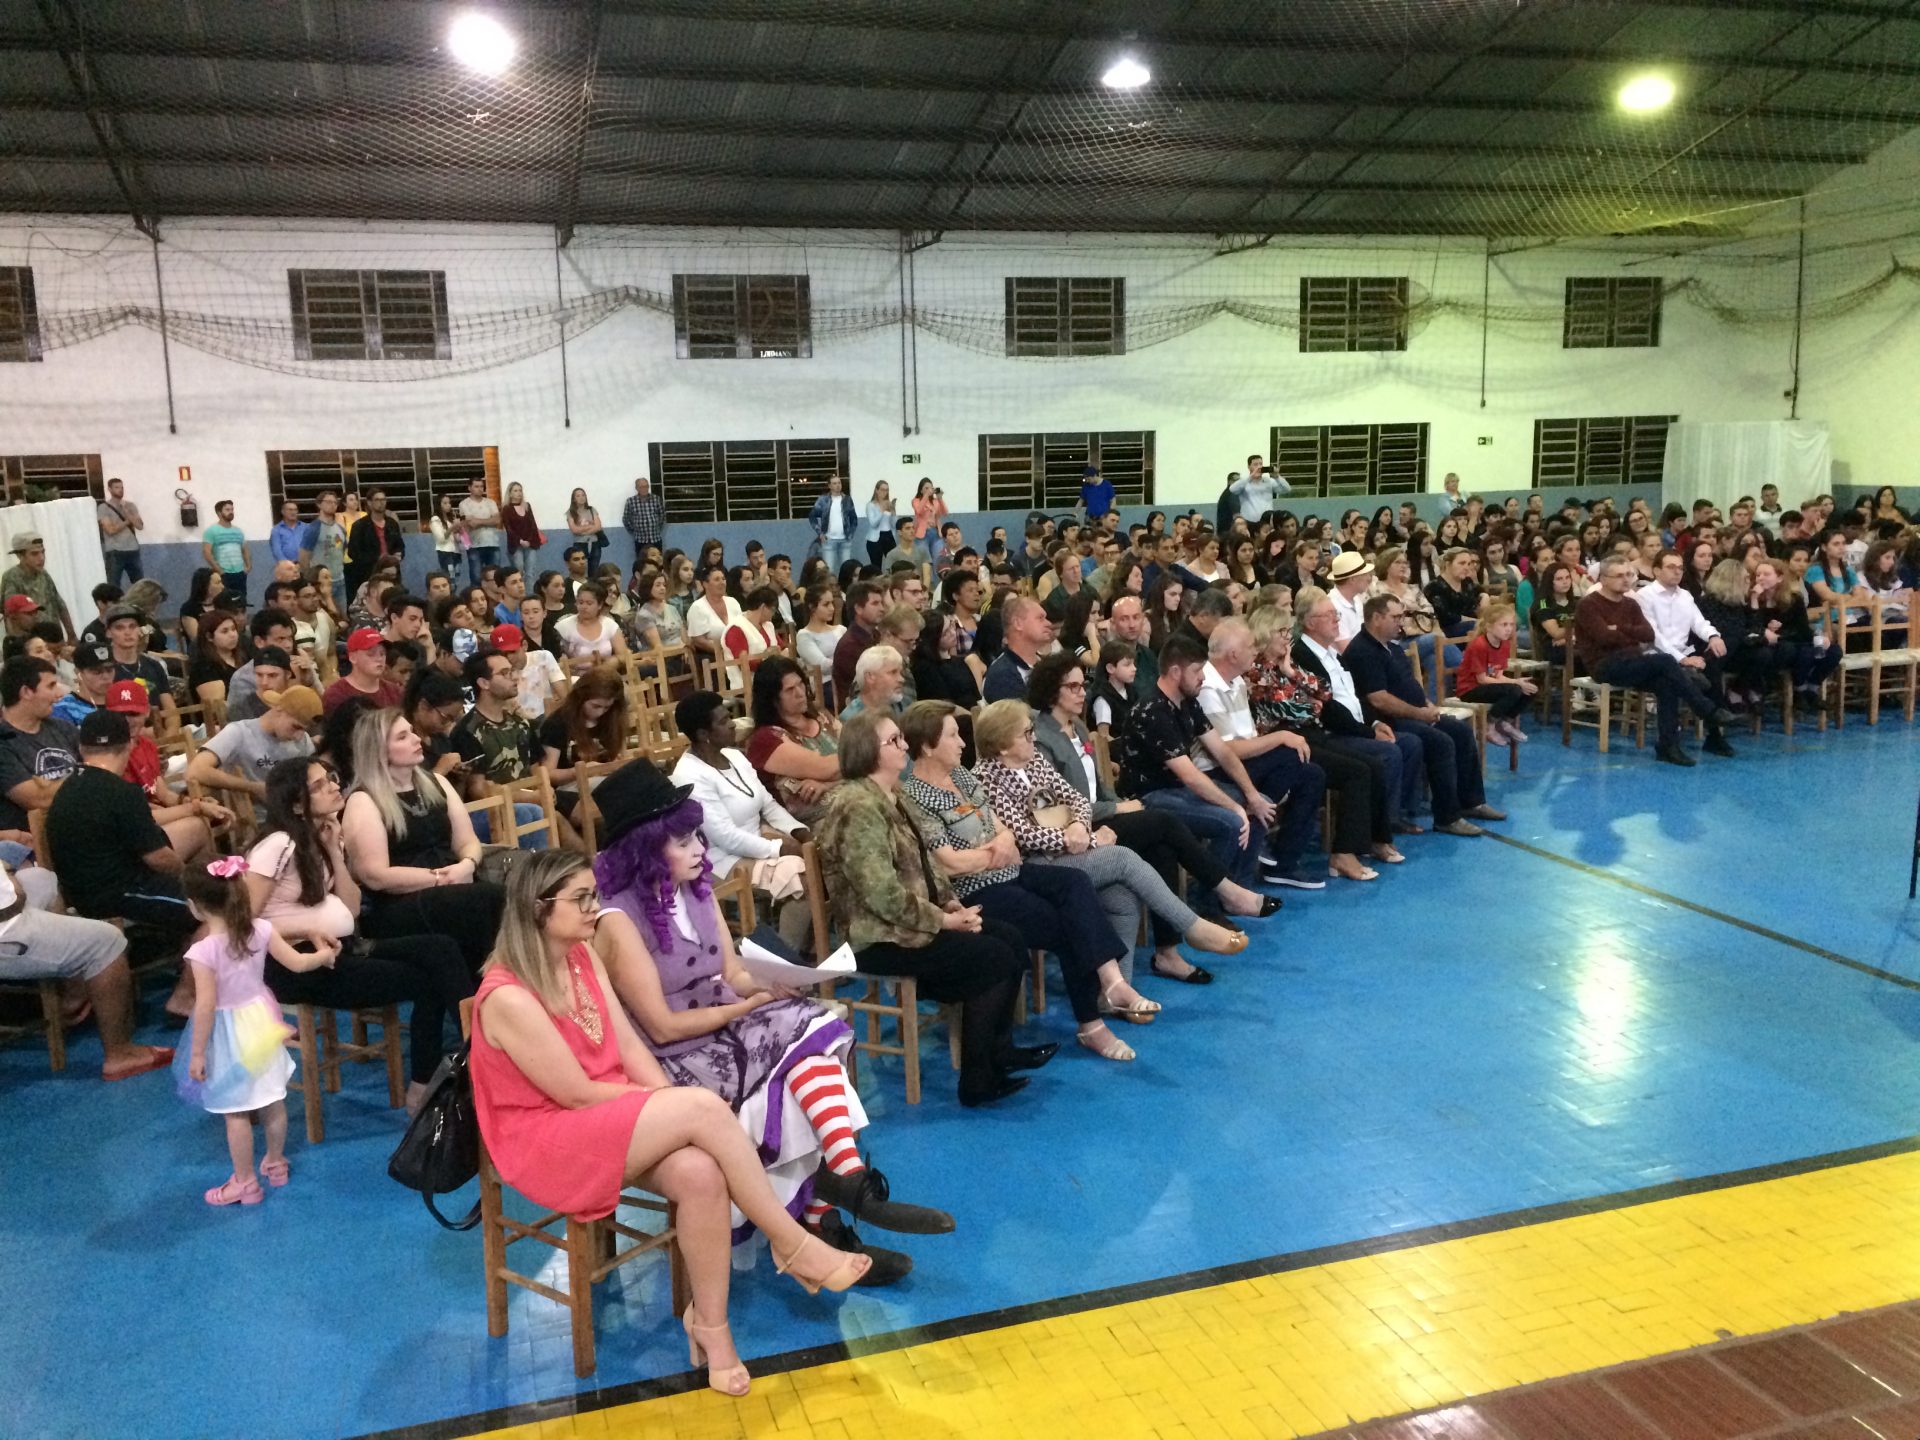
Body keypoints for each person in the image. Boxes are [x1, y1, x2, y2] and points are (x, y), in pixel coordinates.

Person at [472, 851, 870, 1397]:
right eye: (581, 899)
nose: (595, 908)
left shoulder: (580, 955)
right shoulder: (508, 996)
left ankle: (712, 1328)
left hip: (602, 1114)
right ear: (538, 909)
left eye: (594, 895)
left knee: (700, 1172)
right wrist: (666, 1105)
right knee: (701, 1107)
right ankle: (790, 1242)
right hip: (547, 1137)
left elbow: (629, 1046)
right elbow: (574, 1093)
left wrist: (663, 1102)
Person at [591, 761, 947, 1284]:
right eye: (683, 841)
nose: (700, 848)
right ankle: (834, 1200)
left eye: (697, 835)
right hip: (672, 1055)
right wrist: (746, 1007)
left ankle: (838, 1187)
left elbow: (732, 973)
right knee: (799, 1041)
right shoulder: (618, 920)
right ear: (644, 850)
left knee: (808, 1026)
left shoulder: (695, 888)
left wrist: (771, 983)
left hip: (719, 1026)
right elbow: (662, 1027)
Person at [814, 712, 1045, 1107]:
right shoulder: (857, 806)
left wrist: (951, 902)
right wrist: (944, 921)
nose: (904, 745)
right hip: (878, 936)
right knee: (990, 957)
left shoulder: (894, 794)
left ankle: (998, 1050)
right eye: (894, 741)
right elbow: (881, 895)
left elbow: (927, 864)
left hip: (912, 921)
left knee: (1009, 937)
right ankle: (977, 1080)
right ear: (868, 751)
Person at [901, 700, 1145, 1061]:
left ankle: (1112, 983)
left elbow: (1003, 829)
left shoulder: (962, 777)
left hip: (1010, 871)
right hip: (975, 890)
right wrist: (994, 852)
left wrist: (999, 844)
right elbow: (948, 863)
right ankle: (1092, 1025)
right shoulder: (915, 796)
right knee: (1068, 923)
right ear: (926, 746)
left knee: (1075, 883)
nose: (963, 742)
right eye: (953, 736)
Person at [247, 757, 471, 1113]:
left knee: (441, 948)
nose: (334, 786)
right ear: (297, 805)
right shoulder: (276, 845)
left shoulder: (321, 836)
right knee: (428, 979)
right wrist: (306, 929)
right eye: (319, 786)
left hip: (341, 947)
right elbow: (244, 921)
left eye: (331, 778)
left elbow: (350, 908)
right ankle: (440, 1077)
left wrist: (334, 853)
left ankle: (471, 1052)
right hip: (296, 962)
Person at [974, 694, 1250, 980]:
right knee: (1122, 857)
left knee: (1123, 899)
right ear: (1002, 744)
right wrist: (1091, 840)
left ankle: (1118, 989)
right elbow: (1023, 836)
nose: (1034, 737)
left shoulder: (1034, 761)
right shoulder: (985, 779)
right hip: (1036, 863)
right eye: (1026, 733)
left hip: (1070, 846)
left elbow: (1077, 800)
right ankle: (1191, 925)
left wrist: (1080, 826)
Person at [174, 855, 332, 1206]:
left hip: (228, 1035)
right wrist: (323, 955)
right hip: (262, 1025)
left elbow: (205, 1005)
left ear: (195, 906)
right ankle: (276, 1163)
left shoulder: (203, 951)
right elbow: (298, 963)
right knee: (272, 1099)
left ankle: (244, 1183)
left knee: (236, 1111)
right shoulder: (261, 930)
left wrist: (197, 1053)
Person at [340, 706, 506, 972]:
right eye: (403, 737)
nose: (417, 739)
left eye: (412, 732)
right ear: (380, 750)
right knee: (488, 899)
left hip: (453, 884)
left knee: (508, 894)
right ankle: (489, 984)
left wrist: (467, 865)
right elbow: (374, 875)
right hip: (399, 902)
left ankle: (495, 983)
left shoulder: (437, 782)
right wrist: (439, 878)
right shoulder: (364, 800)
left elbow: (468, 842)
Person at [1342, 594, 1503, 833]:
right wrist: (1420, 714)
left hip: (1414, 712)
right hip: (1388, 720)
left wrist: (1427, 705)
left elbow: (1410, 684)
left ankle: (1472, 802)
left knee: (1460, 731)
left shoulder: (1391, 647)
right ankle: (1447, 818)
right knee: (1441, 742)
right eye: (1396, 617)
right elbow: (1379, 699)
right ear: (1376, 618)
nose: (1401, 622)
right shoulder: (1363, 651)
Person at [1195, 620, 1332, 888]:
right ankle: (1256, 835)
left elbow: (1248, 739)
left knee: (1312, 773)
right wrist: (1280, 737)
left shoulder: (1236, 681)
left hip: (1242, 761)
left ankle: (1283, 864)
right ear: (1233, 654)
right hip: (1214, 770)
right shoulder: (1208, 688)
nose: (1255, 651)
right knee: (1289, 754)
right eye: (1250, 646)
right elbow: (1228, 750)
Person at [1573, 556, 1734, 768]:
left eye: (1628, 574)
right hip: (1605, 665)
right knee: (1665, 661)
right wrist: (1628, 633)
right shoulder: (1589, 605)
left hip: (1633, 661)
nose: (1626, 580)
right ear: (1603, 579)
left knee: (1667, 683)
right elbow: (1604, 637)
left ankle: (1668, 746)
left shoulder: (1630, 604)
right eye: (1619, 575)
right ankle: (1706, 709)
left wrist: (1619, 628)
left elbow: (1648, 634)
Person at [1634, 549, 1735, 757]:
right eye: (1671, 567)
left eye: (1680, 568)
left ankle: (1714, 736)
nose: (1677, 572)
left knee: (1713, 667)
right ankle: (1675, 738)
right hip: (1654, 655)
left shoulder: (1685, 595)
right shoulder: (1644, 596)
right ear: (1656, 570)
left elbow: (1699, 622)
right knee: (1673, 675)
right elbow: (1654, 637)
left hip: (1683, 652)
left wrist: (1713, 636)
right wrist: (1683, 660)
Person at [747, 657, 840, 825]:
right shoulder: (767, 739)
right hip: (817, 821)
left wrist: (828, 785)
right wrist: (859, 760)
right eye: (790, 690)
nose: (800, 693)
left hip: (847, 797)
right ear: (773, 699)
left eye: (801, 684)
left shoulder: (821, 716)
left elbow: (865, 756)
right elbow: (829, 768)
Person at [0, 655, 81, 845]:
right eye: (51, 686)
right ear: (26, 692)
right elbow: (37, 799)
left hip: (83, 829)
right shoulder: (4, 742)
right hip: (36, 843)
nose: (58, 694)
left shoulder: (63, 728)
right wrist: (85, 778)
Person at [189, 684, 320, 801]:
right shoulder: (239, 732)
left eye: (304, 730)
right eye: (296, 727)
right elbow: (196, 770)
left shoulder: (303, 741)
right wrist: (253, 788)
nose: (298, 737)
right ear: (279, 709)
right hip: (254, 815)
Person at [1453, 602, 1536, 746]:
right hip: (1470, 690)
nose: (1509, 629)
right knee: (1514, 690)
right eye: (1504, 625)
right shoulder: (1479, 645)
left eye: (1511, 625)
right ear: (1489, 627)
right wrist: (1515, 682)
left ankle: (1505, 722)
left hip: (1488, 686)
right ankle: (1489, 726)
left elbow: (1498, 676)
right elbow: (1482, 679)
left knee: (1530, 689)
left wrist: (1518, 682)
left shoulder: (1505, 644)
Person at [1, 532, 74, 642]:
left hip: (53, 639)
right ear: (20, 556)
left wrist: (71, 635)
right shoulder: (12, 577)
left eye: (43, 552)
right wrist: (20, 645)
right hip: (32, 643)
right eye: (34, 554)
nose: (41, 558)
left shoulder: (43, 574)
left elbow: (60, 604)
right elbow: (11, 615)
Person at [553, 581, 629, 679]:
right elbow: (555, 661)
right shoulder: (562, 626)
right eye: (580, 602)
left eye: (589, 603)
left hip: (605, 676)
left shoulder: (610, 625)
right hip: (574, 679)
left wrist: (610, 664)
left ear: (600, 605)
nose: (584, 607)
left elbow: (623, 656)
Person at [344, 489, 406, 600]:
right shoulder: (360, 526)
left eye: (383, 499)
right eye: (377, 500)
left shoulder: (392, 523)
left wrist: (398, 554)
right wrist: (377, 559)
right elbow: (353, 552)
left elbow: (400, 545)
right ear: (369, 502)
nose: (381, 503)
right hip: (368, 573)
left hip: (391, 571)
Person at [322, 627, 401, 714]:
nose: (379, 659)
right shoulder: (337, 694)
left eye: (382, 654)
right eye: (371, 654)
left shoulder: (395, 692)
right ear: (353, 657)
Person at [794, 584, 846, 702]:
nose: (832, 608)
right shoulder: (804, 635)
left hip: (846, 678)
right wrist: (849, 664)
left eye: (832, 603)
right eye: (826, 604)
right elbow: (822, 666)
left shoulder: (841, 629)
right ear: (812, 607)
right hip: (825, 685)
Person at [297, 492, 349, 598]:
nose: (333, 505)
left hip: (339, 580)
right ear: (319, 504)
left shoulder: (340, 529)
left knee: (341, 609)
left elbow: (341, 549)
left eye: (335, 502)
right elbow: (304, 557)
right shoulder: (313, 529)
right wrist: (310, 580)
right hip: (320, 582)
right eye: (328, 502)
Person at [839, 643, 906, 724]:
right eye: (893, 672)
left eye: (900, 672)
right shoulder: (852, 720)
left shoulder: (900, 706)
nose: (901, 679)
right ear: (870, 677)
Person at [201, 501, 250, 606]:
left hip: (240, 573)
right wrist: (219, 570)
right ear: (219, 513)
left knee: (241, 602)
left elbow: (245, 550)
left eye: (232, 509)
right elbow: (207, 552)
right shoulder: (211, 531)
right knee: (224, 603)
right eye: (227, 510)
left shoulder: (238, 531)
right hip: (223, 574)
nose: (231, 512)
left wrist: (248, 567)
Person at [97, 477, 144, 585]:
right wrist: (128, 521)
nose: (120, 490)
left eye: (122, 487)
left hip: (133, 550)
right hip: (115, 551)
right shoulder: (104, 508)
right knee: (113, 584)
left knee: (140, 585)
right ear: (110, 489)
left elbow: (140, 526)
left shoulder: (130, 505)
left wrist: (127, 511)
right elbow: (110, 530)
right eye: (117, 487)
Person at [809, 475, 858, 577]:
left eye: (839, 483)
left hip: (845, 540)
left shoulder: (847, 500)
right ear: (829, 486)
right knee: (828, 570)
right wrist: (820, 533)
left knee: (847, 570)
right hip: (829, 540)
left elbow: (854, 519)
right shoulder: (823, 500)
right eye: (834, 483)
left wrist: (851, 534)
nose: (838, 485)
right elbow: (812, 516)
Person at [1228, 455, 1291, 523]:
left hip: (1267, 521)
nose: (1259, 467)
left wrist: (1277, 477)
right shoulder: (1244, 482)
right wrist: (1251, 476)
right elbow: (1232, 489)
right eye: (1255, 464)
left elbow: (1287, 489)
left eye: (1260, 464)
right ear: (1249, 467)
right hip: (1249, 522)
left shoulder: (1268, 481)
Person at [621, 475, 665, 564]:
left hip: (655, 539)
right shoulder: (631, 501)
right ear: (636, 488)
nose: (644, 489)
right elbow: (626, 519)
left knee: (658, 563)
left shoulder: (656, 499)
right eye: (641, 487)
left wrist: (657, 528)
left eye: (646, 486)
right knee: (641, 564)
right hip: (640, 540)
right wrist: (634, 530)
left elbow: (662, 515)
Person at [564, 487, 605, 571]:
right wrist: (590, 526)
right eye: (578, 496)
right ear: (574, 499)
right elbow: (574, 530)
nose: (581, 497)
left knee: (594, 570)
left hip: (594, 543)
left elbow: (598, 526)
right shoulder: (570, 512)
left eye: (583, 495)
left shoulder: (591, 510)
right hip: (580, 544)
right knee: (580, 570)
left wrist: (582, 530)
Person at [863, 481, 897, 572]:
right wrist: (882, 510)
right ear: (876, 490)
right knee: (876, 567)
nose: (884, 492)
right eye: (882, 490)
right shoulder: (870, 505)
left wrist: (893, 511)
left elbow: (894, 524)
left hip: (888, 535)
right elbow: (873, 524)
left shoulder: (888, 504)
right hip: (875, 539)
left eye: (887, 490)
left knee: (894, 564)